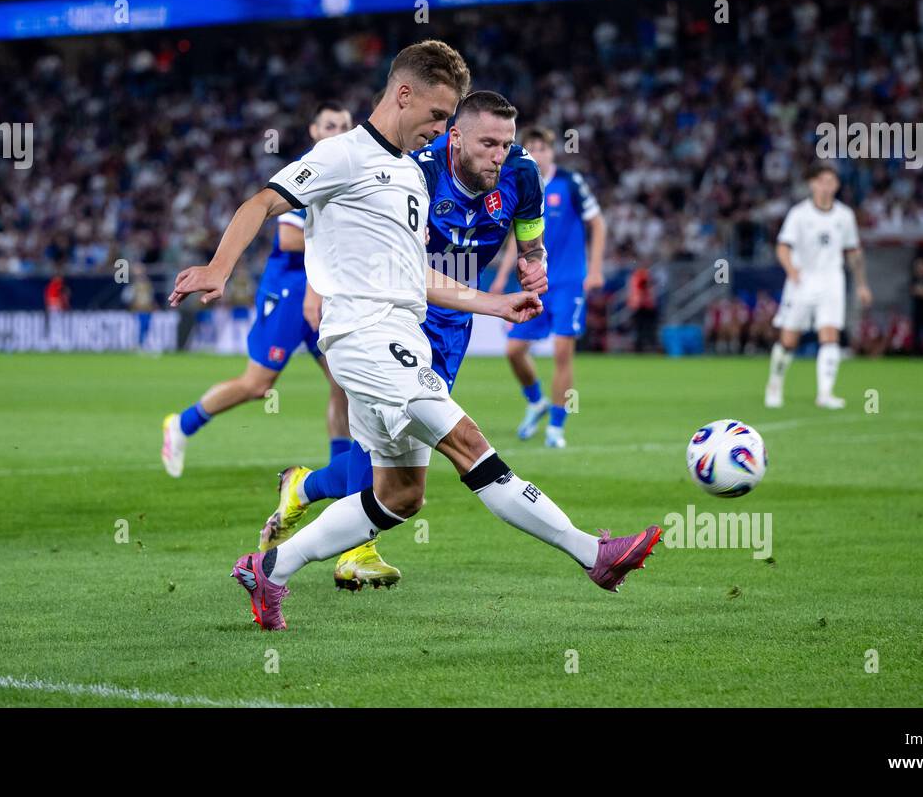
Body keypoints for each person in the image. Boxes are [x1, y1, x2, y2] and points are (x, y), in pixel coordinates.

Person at [169, 40, 662, 631]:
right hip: (365, 338)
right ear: (404, 94)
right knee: (470, 444)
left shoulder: (407, 174)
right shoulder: (342, 155)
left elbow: (417, 275)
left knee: (400, 496)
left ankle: (269, 569)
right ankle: (594, 554)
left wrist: (496, 303)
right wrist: (219, 270)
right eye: (436, 115)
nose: (440, 129)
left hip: (400, 333)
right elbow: (261, 203)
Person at [263, 90, 548, 591]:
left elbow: (531, 233)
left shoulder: (522, 173)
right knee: (396, 435)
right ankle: (355, 551)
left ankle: (304, 487)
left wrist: (534, 261)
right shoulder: (417, 168)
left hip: (454, 319)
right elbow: (348, 233)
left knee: (402, 445)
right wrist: (316, 288)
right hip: (393, 309)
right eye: (489, 143)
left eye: (506, 143)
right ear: (458, 135)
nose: (499, 154)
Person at [161, 103, 354, 478]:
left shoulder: (346, 171)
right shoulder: (310, 170)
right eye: (330, 125)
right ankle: (182, 424)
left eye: (346, 125)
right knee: (258, 384)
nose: (339, 131)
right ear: (314, 131)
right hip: (289, 291)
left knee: (342, 381)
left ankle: (339, 472)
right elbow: (288, 237)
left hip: (324, 288)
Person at [497, 126, 607, 448]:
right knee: (514, 351)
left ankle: (556, 428)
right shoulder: (521, 184)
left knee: (562, 352)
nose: (537, 154)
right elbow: (517, 236)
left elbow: (597, 222)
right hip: (534, 281)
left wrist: (596, 269)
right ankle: (536, 402)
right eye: (530, 148)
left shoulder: (570, 183)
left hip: (569, 282)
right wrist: (503, 276)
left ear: (552, 152)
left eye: (542, 148)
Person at [764, 163, 872, 409]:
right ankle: (775, 383)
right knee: (789, 339)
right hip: (802, 279)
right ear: (812, 183)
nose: (827, 186)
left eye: (832, 181)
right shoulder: (799, 214)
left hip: (832, 279)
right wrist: (791, 269)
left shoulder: (844, 216)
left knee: (830, 336)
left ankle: (825, 393)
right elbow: (782, 246)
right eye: (822, 180)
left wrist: (862, 284)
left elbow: (853, 252)